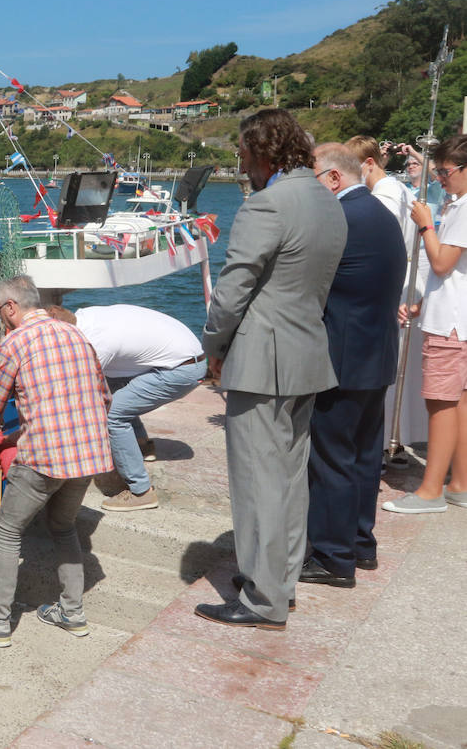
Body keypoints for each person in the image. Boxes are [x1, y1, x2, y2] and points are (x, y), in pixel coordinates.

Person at [196, 109, 345, 631]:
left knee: (257, 480)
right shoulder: (329, 202)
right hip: (308, 353)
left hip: (262, 360)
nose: (243, 167)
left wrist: (213, 346)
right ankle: (280, 580)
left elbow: (234, 289)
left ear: (262, 152)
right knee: (289, 476)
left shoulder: (267, 205)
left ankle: (261, 599)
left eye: (243, 156)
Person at [0, 277, 112, 648]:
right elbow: (105, 397)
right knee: (64, 527)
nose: (1, 318)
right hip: (90, 453)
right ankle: (72, 613)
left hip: (44, 457)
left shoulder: (15, 342)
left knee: (7, 530)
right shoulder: (77, 335)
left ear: (10, 307)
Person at [302, 144, 405, 585]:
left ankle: (332, 557)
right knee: (364, 455)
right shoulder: (379, 214)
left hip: (342, 358)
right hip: (376, 353)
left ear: (333, 179)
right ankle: (361, 544)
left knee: (331, 459)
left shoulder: (342, 219)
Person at [49, 304, 206, 512]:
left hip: (182, 370)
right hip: (181, 356)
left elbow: (80, 397)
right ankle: (141, 445)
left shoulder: (97, 344)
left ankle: (141, 492)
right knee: (112, 382)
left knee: (113, 415)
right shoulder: (84, 317)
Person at [387, 135, 467, 514]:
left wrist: (424, 225)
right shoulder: (456, 206)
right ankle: (460, 483)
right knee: (460, 404)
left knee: (441, 403)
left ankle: (431, 490)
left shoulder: (463, 209)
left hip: (449, 326)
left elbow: (440, 263)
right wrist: (421, 304)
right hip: (453, 316)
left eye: (445, 172)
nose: (440, 178)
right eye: (437, 171)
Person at [346, 135, 427, 460]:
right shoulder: (392, 189)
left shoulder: (386, 195)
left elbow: (375, 245)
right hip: (404, 279)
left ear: (368, 164)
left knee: (387, 371)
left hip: (395, 285)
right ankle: (391, 442)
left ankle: (379, 446)